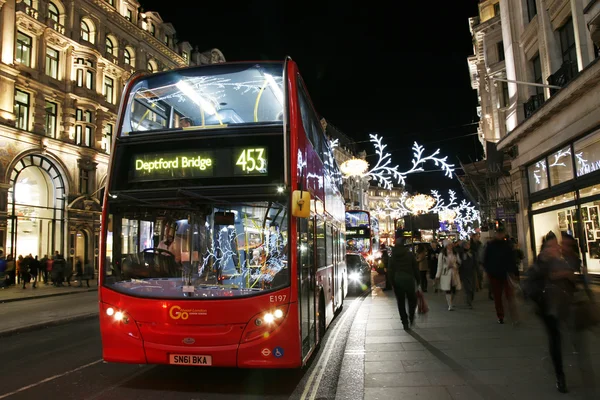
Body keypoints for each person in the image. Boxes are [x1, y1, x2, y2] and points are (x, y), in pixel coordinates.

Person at [483, 228, 518, 324]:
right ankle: (500, 315)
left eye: (501, 234)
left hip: (505, 273)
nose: (500, 235)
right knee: (497, 296)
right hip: (495, 274)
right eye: (498, 234)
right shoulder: (491, 245)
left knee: (509, 295)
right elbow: (486, 259)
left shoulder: (507, 245)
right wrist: (489, 271)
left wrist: (513, 271)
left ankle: (511, 314)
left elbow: (512, 259)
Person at [389, 230, 420, 330]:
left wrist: (392, 283)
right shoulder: (409, 255)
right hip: (409, 280)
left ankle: (404, 322)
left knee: (400, 302)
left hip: (397, 281)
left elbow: (390, 270)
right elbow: (415, 268)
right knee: (412, 300)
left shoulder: (392, 256)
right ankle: (411, 317)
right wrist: (418, 281)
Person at [436, 240, 461, 311]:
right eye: (449, 245)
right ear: (446, 246)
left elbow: (459, 262)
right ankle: (450, 304)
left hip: (454, 273)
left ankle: (451, 301)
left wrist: (455, 266)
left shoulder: (455, 253)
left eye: (451, 245)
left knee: (455, 289)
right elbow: (439, 266)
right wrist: (437, 276)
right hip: (446, 274)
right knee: (448, 289)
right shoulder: (442, 254)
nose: (450, 246)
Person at [459, 241, 476, 308]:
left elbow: (475, 262)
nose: (467, 246)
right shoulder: (461, 253)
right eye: (465, 245)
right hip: (464, 273)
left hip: (472, 272)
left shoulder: (472, 253)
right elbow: (460, 262)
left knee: (472, 288)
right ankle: (469, 302)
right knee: (467, 288)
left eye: (468, 245)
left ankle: (471, 298)